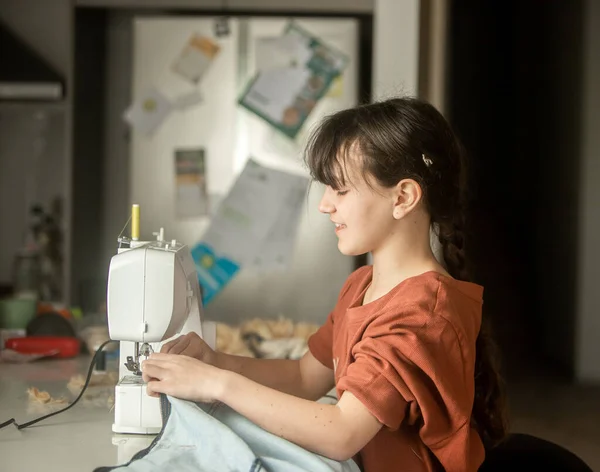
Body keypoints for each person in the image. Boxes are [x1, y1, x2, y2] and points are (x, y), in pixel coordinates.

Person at [141, 97, 509, 472]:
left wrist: (216, 384)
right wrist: (216, 361)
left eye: (341, 190)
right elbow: (303, 377)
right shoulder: (362, 285)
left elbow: (342, 432)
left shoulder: (422, 313)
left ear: (403, 197)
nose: (325, 205)